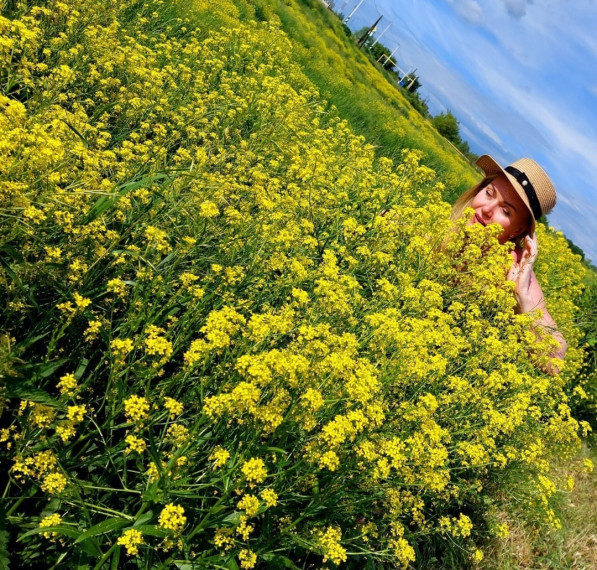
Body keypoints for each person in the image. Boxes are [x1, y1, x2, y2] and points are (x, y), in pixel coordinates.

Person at [451, 155, 567, 372]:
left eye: (505, 211)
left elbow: (555, 361)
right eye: (489, 193)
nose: (487, 209)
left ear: (518, 231)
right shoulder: (444, 227)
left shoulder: (513, 269)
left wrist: (522, 297)